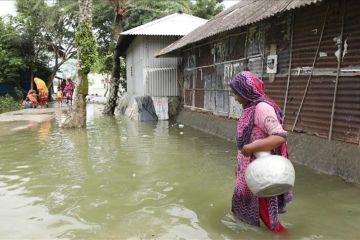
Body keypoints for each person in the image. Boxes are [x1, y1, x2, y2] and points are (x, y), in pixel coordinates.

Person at [229, 71, 292, 233]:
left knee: (269, 219)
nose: (235, 98)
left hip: (261, 173)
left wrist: (250, 148)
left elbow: (279, 137)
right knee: (242, 208)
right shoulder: (249, 108)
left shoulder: (262, 108)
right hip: (247, 172)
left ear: (247, 91)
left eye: (237, 93)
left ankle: (282, 236)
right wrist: (239, 166)